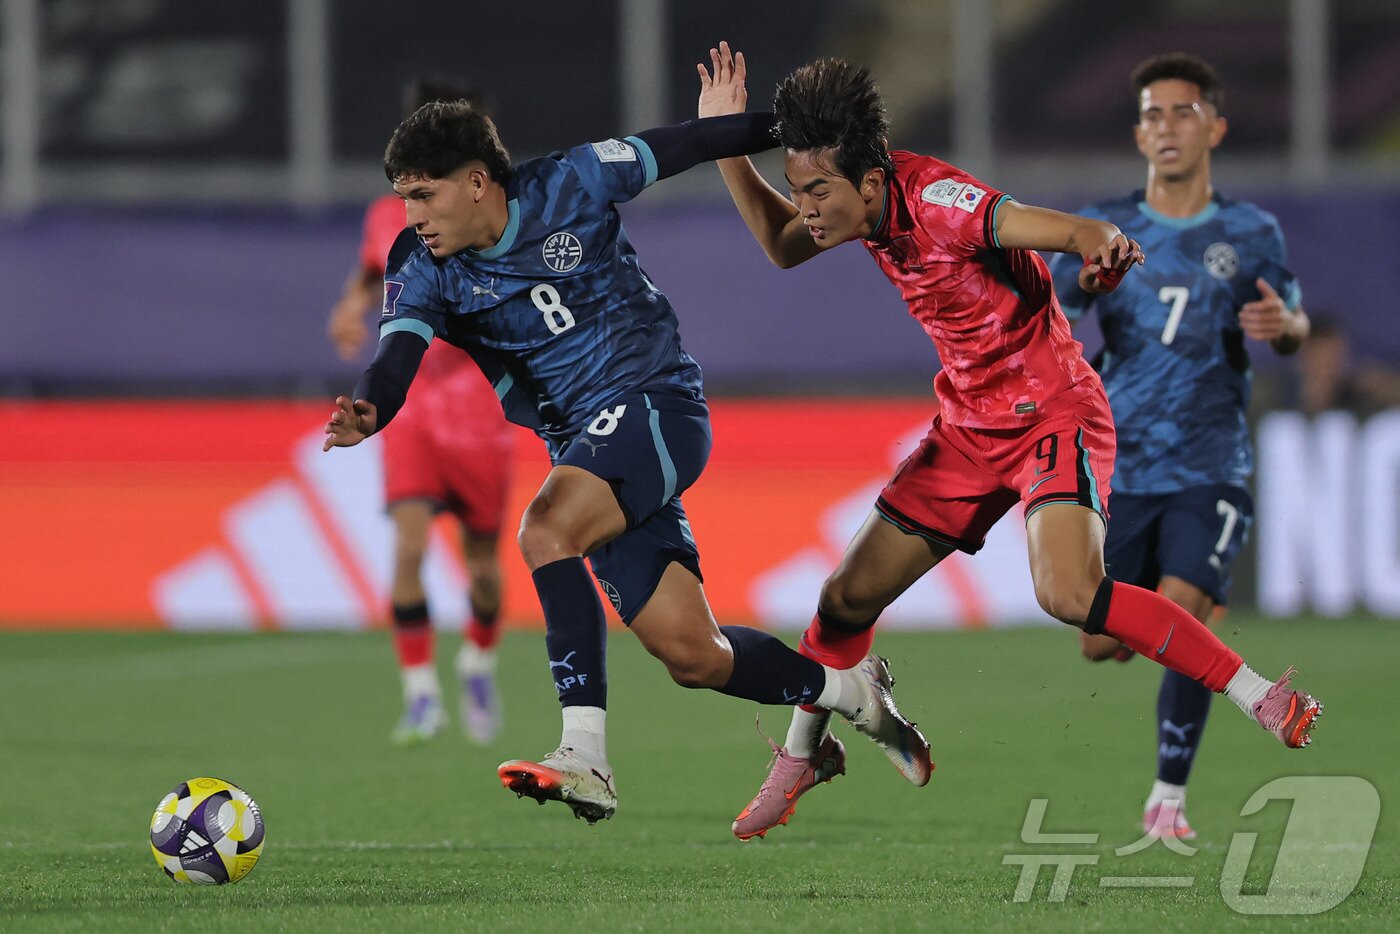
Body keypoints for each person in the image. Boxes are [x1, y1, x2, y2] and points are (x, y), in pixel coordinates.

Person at [697, 43, 1324, 842]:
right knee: (842, 601)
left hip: (1052, 415)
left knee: (1068, 595)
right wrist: (726, 151)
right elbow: (782, 246)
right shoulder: (857, 206)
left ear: (871, 180)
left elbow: (1039, 224)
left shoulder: (944, 202)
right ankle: (803, 757)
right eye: (798, 190)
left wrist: (1096, 236)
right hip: (968, 428)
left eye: (817, 191)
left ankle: (1258, 694)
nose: (807, 208)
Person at [322, 44, 929, 826]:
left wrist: (792, 125)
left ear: (477, 182)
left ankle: (586, 757)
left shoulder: (573, 180)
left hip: (655, 404)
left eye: (422, 195)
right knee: (694, 655)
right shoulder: (424, 264)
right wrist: (369, 410)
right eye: (403, 198)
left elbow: (688, 143)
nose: (411, 217)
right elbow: (394, 359)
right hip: (586, 444)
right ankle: (854, 694)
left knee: (545, 529)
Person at [1048, 53, 1313, 840]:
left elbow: (1293, 320)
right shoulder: (1106, 224)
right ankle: (1166, 623)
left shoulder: (1250, 232)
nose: (1167, 126)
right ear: (1138, 133)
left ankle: (1167, 799)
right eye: (1153, 114)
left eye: (1183, 111)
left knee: (1182, 611)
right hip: (1121, 463)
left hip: (1212, 464)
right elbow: (1052, 305)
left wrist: (1285, 330)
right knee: (1101, 642)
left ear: (1215, 126)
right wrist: (1084, 289)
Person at [326, 78, 517, 748]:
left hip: (485, 415)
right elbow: (372, 266)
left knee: (485, 569)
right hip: (413, 409)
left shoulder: (505, 210)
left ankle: (477, 663)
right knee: (408, 546)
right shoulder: (391, 214)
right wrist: (352, 303)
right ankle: (420, 696)